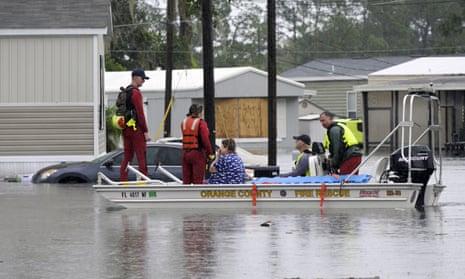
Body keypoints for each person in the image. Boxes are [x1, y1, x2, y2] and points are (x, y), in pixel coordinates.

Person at [120, 69, 151, 181]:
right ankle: (144, 182)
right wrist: (145, 131)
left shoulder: (126, 91)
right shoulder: (136, 93)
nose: (143, 81)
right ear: (135, 77)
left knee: (127, 156)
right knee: (141, 156)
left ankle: (123, 181)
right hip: (136, 129)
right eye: (142, 78)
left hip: (125, 128)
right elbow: (140, 113)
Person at [181, 104, 214, 184]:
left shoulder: (184, 122)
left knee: (186, 181)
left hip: (185, 153)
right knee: (198, 181)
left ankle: (186, 195)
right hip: (197, 153)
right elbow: (205, 140)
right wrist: (210, 153)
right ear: (199, 113)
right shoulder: (201, 123)